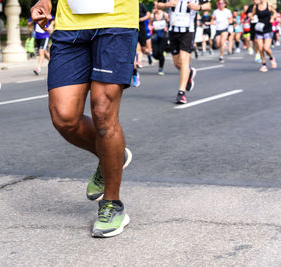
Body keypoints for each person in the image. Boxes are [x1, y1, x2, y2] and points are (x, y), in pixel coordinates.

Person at [31, 0, 136, 237]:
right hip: (69, 24)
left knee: (103, 113)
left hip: (116, 22)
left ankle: (112, 203)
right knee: (64, 117)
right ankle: (112, 156)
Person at [158, 0, 211, 104]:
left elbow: (208, 5)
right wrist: (166, 5)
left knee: (183, 60)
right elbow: (158, 5)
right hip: (173, 30)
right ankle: (189, 72)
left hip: (188, 30)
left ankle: (181, 93)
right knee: (177, 63)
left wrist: (198, 7)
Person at [252, 0, 277, 72]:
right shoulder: (256, 6)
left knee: (266, 48)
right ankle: (264, 65)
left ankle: (272, 59)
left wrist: (272, 18)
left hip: (268, 29)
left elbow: (275, 13)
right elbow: (252, 14)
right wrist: (251, 17)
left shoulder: (268, 5)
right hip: (259, 29)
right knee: (260, 48)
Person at [149, 3, 168, 75]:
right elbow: (150, 24)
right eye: (154, 6)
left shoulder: (165, 14)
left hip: (163, 35)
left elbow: (169, 22)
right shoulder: (152, 15)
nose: (154, 7)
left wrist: (167, 27)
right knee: (155, 54)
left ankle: (161, 68)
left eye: (156, 6)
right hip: (155, 35)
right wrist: (150, 27)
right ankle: (157, 56)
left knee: (160, 52)